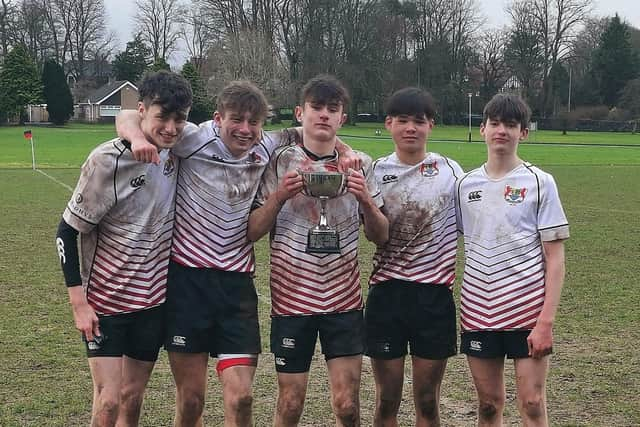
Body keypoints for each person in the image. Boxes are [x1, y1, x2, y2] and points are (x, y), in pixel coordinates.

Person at [115, 80, 358, 427]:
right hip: (187, 284)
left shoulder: (265, 143)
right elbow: (128, 114)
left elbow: (316, 131)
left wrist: (345, 151)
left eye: (253, 122)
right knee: (191, 401)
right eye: (236, 120)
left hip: (236, 288)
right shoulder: (193, 138)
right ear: (217, 118)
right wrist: (137, 138)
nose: (245, 130)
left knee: (242, 398)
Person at [247, 75, 389, 427]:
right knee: (291, 403)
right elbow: (252, 231)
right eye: (317, 108)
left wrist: (365, 201)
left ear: (342, 118)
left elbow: (381, 236)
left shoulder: (360, 165)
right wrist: (280, 196)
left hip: (343, 302)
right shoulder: (280, 161)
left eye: (333, 109)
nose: (324, 115)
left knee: (347, 406)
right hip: (291, 302)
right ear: (301, 112)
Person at [55, 70, 192, 427]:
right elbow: (66, 232)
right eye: (162, 117)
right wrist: (79, 304)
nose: (171, 128)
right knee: (108, 404)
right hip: (105, 305)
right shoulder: (106, 161)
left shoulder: (179, 151)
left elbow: (243, 130)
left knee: (132, 400)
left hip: (152, 305)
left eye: (180, 119)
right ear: (143, 110)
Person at [455, 93, 569, 426]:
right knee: (489, 405)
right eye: (495, 123)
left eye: (511, 124)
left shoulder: (540, 182)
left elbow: (556, 258)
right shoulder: (465, 185)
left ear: (524, 132)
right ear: (482, 130)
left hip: (527, 313)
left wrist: (546, 322)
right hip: (478, 312)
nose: (501, 130)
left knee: (532, 403)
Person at [365, 87, 464, 426]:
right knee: (386, 399)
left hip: (433, 298)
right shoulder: (374, 172)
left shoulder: (451, 172)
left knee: (427, 401)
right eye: (403, 120)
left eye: (418, 121)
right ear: (389, 124)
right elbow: (371, 232)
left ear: (430, 126)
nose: (411, 128)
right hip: (387, 295)